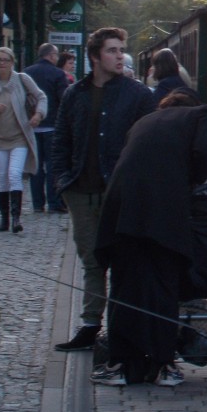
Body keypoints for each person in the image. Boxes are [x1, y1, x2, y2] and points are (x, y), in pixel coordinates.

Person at [91, 87, 207, 386]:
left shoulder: (144, 121)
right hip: (162, 211)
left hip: (121, 211)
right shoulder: (200, 115)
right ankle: (162, 366)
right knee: (163, 286)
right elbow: (204, 153)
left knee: (124, 285)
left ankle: (120, 365)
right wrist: (191, 183)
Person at [52, 27, 158, 352]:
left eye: (120, 50)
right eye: (112, 51)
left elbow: (149, 146)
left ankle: (121, 330)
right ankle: (89, 325)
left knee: (123, 261)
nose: (120, 56)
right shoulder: (75, 93)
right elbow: (61, 139)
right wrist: (62, 181)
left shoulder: (138, 95)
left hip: (119, 194)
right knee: (92, 261)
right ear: (95, 57)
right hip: (81, 192)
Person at [0, 48, 46, 233]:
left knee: (14, 174)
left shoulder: (22, 79)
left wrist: (38, 114)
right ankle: (4, 219)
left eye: (6, 60)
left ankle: (16, 218)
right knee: (2, 177)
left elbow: (41, 97)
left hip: (19, 137)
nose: (2, 63)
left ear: (12, 62)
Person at [23, 43, 70, 213]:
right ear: (50, 56)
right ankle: (54, 202)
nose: (57, 58)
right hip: (52, 125)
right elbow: (64, 99)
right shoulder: (58, 74)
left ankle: (37, 203)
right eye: (56, 55)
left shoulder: (26, 72)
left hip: (32, 125)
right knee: (52, 166)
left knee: (35, 166)